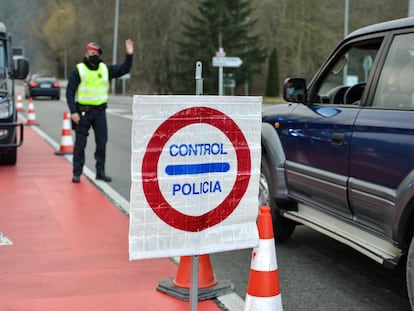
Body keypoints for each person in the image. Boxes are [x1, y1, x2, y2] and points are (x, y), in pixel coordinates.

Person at [66, 39, 134, 183]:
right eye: (92, 53)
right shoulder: (79, 70)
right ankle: (77, 173)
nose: (94, 55)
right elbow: (70, 92)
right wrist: (73, 112)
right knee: (80, 144)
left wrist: (129, 55)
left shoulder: (104, 69)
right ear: (86, 54)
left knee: (101, 143)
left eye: (96, 53)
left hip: (100, 113)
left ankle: (100, 172)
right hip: (83, 112)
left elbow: (123, 69)